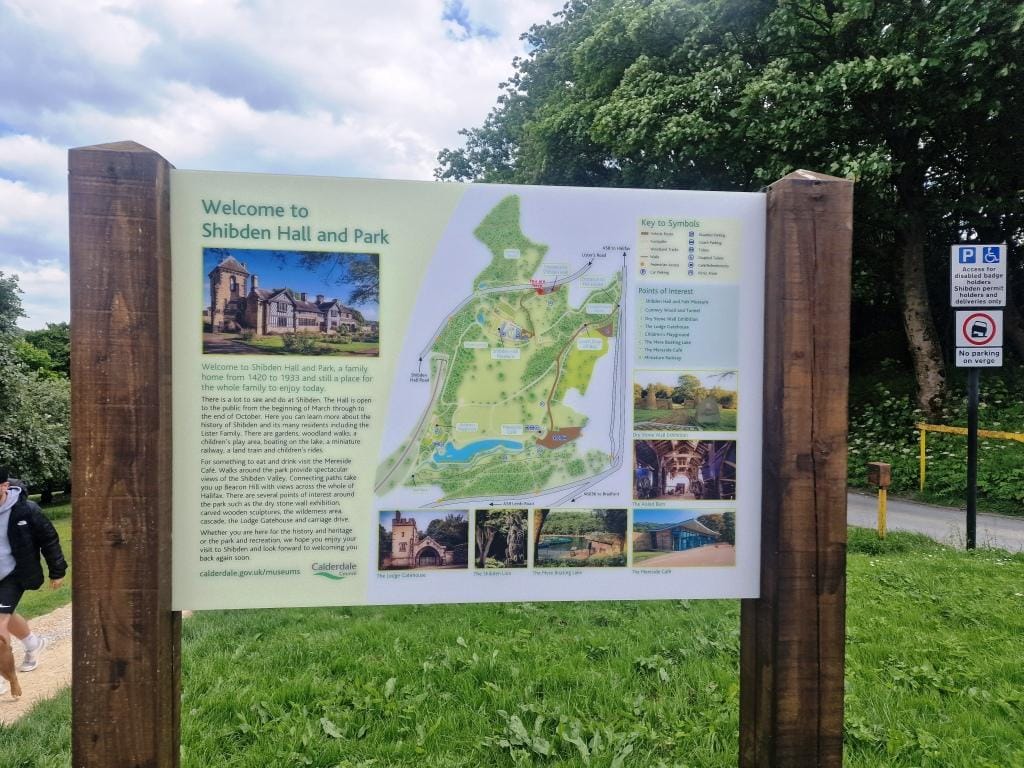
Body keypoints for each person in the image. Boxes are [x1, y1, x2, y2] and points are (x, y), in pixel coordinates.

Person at [0, 467, 67, 694]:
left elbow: (48, 538)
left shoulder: (26, 510)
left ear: (4, 486)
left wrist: (57, 570)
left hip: (15, 573)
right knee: (5, 616)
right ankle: (33, 644)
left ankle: (4, 677)